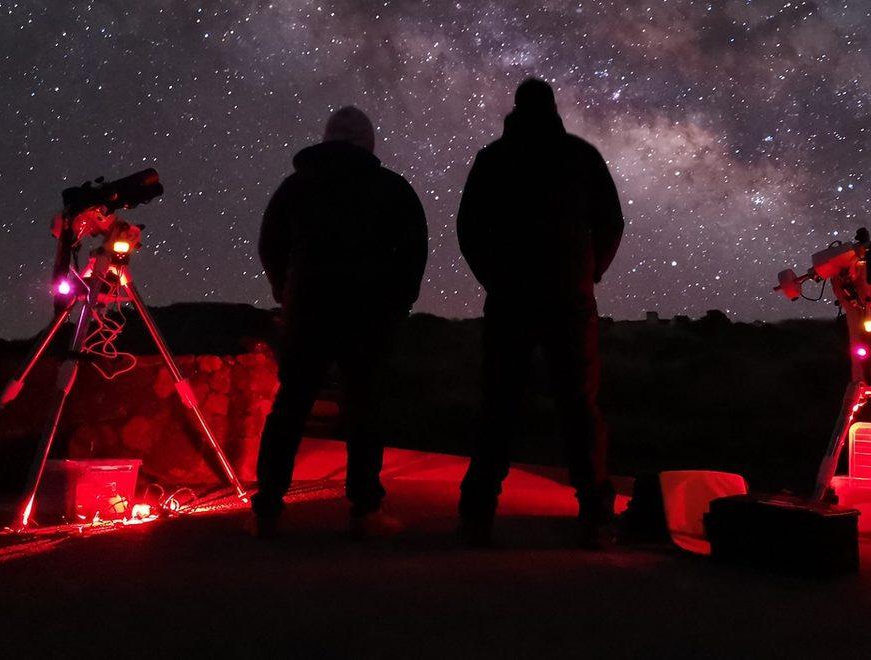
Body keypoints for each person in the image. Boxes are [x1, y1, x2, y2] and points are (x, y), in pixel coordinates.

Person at [456, 78, 624, 548]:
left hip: (510, 297)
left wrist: (495, 277)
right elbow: (611, 221)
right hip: (569, 299)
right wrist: (590, 273)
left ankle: (477, 515)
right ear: (553, 109)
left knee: (499, 405)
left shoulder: (494, 158)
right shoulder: (580, 155)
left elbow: (469, 227)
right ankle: (596, 517)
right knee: (580, 407)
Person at [252, 106, 427, 538]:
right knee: (365, 408)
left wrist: (284, 290)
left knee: (290, 406)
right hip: (368, 314)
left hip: (307, 307)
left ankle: (267, 509)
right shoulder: (391, 188)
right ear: (369, 143)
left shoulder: (296, 186)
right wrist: (397, 304)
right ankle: (365, 509)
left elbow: (271, 244)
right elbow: (411, 254)